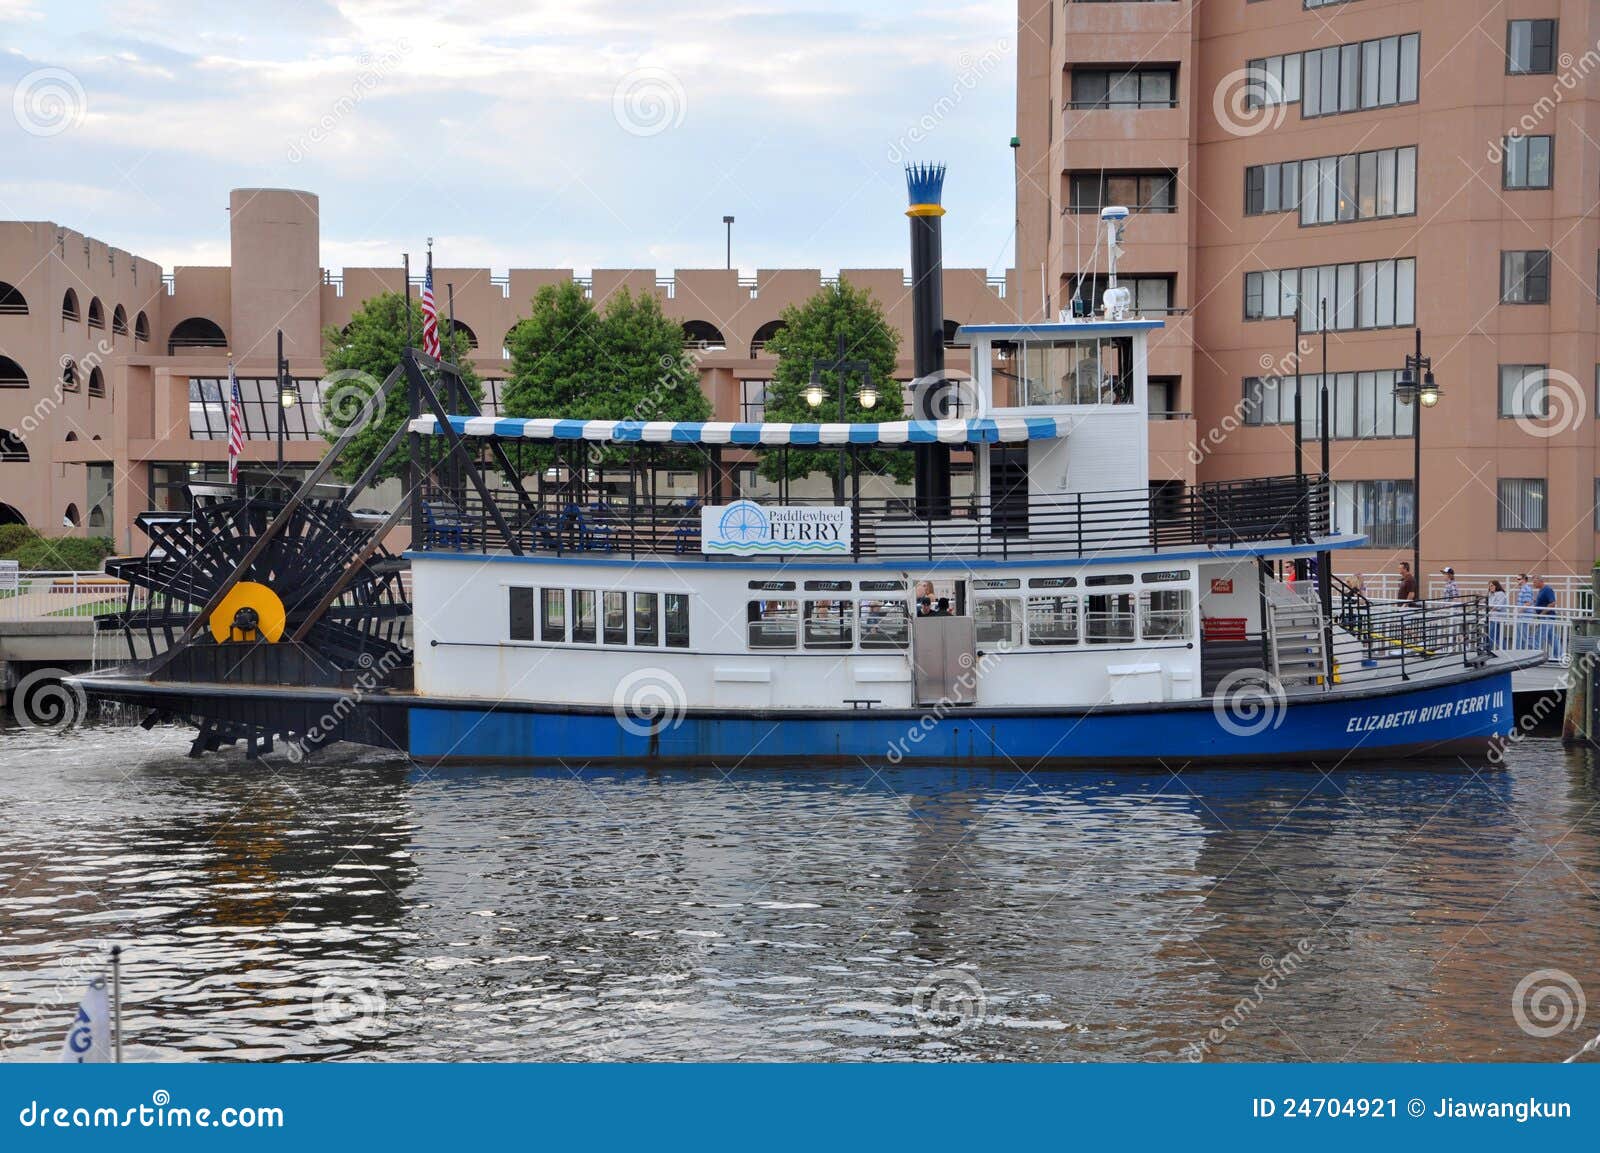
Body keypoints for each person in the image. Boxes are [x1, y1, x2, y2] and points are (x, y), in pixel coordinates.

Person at [1487, 579, 1509, 649]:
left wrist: (1490, 606)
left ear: (1496, 586)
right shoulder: (1491, 594)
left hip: (1498, 618)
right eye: (1489, 586)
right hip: (1493, 617)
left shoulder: (1500, 593)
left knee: (1492, 635)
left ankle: (1488, 649)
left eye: (1492, 585)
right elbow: (1489, 604)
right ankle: (1503, 649)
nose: (1490, 587)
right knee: (1497, 636)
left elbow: (1498, 607)